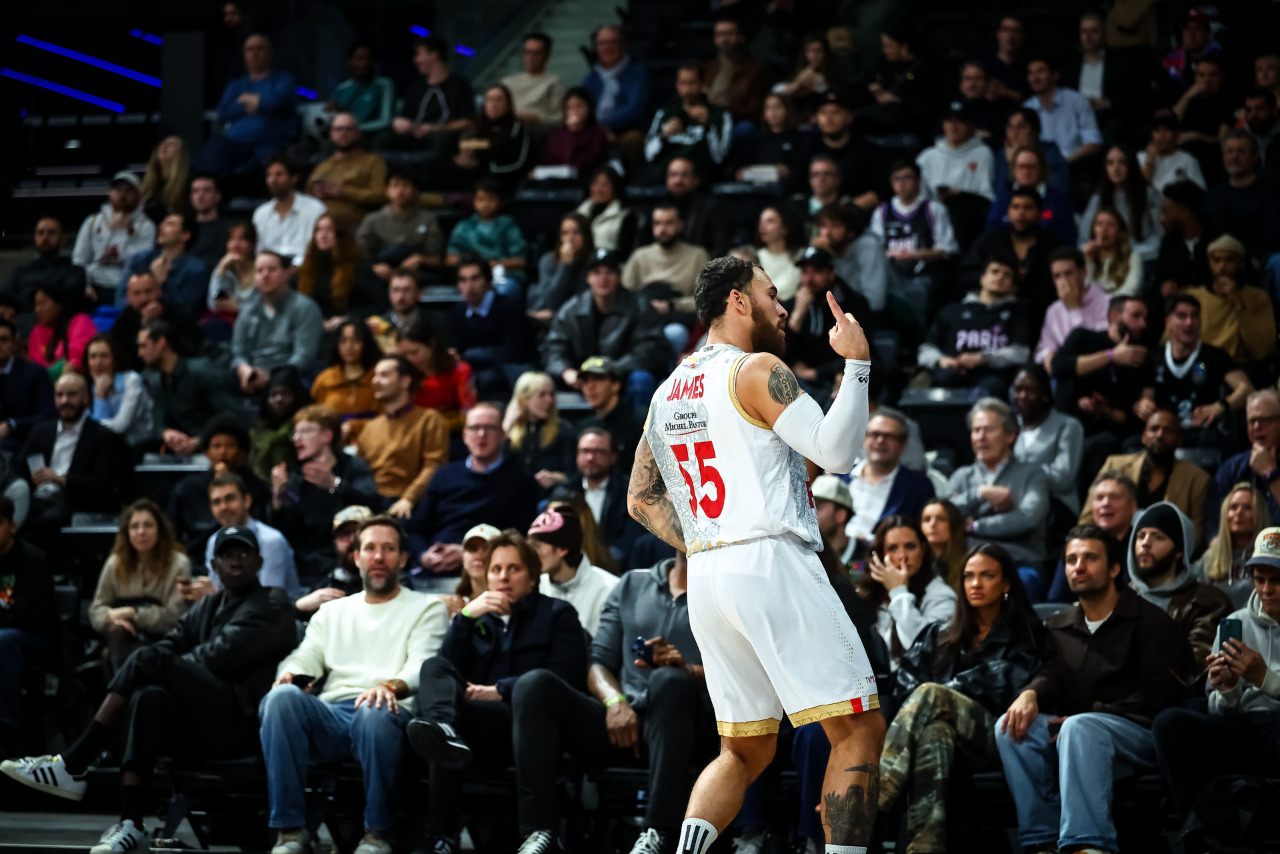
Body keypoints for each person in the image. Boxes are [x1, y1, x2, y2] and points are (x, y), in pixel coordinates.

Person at [629, 255, 885, 854]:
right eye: (772, 295)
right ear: (738, 301)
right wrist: (857, 364)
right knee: (859, 728)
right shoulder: (756, 368)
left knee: (744, 749)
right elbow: (838, 453)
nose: (783, 308)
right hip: (771, 562)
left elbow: (641, 499)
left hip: (709, 574)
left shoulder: (666, 392)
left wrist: (710, 540)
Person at [1, 524, 295, 854]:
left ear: (258, 561)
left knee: (148, 659)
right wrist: (165, 669)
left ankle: (73, 762)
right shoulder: (207, 607)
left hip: (242, 726)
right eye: (227, 555)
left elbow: (218, 657)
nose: (235, 560)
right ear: (214, 564)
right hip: (199, 725)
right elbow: (172, 643)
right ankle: (131, 824)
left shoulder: (273, 602)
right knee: (148, 697)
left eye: (243, 553)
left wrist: (166, 668)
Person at [258, 515, 449, 854]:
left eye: (388, 549)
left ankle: (378, 834)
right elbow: (305, 657)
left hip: (389, 712)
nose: (378, 556)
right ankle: (290, 832)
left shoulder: (427, 607)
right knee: (280, 698)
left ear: (403, 558)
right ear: (356, 557)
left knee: (374, 710)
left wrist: (388, 686)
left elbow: (423, 664)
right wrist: (292, 675)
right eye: (370, 548)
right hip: (332, 714)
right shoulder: (333, 611)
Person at [994, 525, 1191, 854]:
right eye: (1071, 560)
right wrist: (1031, 694)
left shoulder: (1151, 622)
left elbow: (1161, 693)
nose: (1078, 567)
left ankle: (1086, 844)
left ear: (1114, 568)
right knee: (1010, 727)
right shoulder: (1058, 625)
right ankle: (1042, 840)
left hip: (1139, 734)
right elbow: (1051, 673)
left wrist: (1094, 714)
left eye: (1089, 558)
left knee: (1078, 727)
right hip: (1076, 729)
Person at [407, 528, 587, 854]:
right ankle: (439, 833)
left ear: (532, 578)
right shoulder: (478, 618)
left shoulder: (557, 614)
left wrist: (501, 690)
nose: (503, 577)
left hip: (529, 728)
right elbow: (445, 671)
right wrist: (464, 618)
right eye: (496, 569)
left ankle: (441, 831)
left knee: (452, 724)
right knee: (433, 669)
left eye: (513, 568)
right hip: (474, 727)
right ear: (486, 576)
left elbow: (564, 677)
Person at [880, 543, 1050, 854]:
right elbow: (906, 683)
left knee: (932, 693)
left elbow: (1010, 681)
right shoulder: (941, 632)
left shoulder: (1026, 632)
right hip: (943, 735)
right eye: (969, 576)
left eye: (987, 575)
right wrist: (936, 702)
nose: (976, 583)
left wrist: (946, 694)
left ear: (1006, 584)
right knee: (934, 732)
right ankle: (924, 848)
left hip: (998, 735)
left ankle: (878, 792)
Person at [1152, 529, 1280, 816]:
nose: (1266, 589)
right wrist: (1228, 690)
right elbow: (1220, 711)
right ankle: (1200, 825)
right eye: (1260, 579)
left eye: (1276, 580)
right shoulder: (1236, 623)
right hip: (1245, 724)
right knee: (1169, 723)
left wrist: (1264, 677)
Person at [406, 404, 539, 575]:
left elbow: (517, 537)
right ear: (464, 436)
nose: (481, 434)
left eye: (489, 428)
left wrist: (469, 553)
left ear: (502, 435)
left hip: (490, 568)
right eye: (475, 428)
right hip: (436, 566)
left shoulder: (521, 480)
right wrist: (424, 555)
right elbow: (417, 528)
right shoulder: (443, 475)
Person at [541, 250, 669, 403]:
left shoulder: (640, 307)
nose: (603, 278)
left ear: (618, 277)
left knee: (641, 379)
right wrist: (566, 371)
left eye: (609, 272)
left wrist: (611, 371)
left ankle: (640, 419)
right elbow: (554, 348)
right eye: (596, 272)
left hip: (623, 375)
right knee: (543, 382)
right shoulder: (571, 310)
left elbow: (649, 349)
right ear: (588, 278)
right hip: (582, 378)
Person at [271, 404, 381, 578]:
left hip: (354, 556)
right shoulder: (297, 477)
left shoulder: (352, 465)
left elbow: (373, 502)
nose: (296, 438)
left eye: (305, 431)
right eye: (295, 433)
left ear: (327, 436)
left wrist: (333, 483)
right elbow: (287, 531)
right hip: (311, 565)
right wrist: (278, 494)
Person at [21, 373, 131, 542]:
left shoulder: (103, 437)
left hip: (76, 501)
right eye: (59, 395)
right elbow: (20, 468)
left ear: (86, 397)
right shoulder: (40, 432)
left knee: (45, 521)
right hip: (37, 497)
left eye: (72, 394)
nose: (64, 400)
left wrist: (62, 479)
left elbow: (102, 485)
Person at [1136, 294, 1252, 452]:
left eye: (1194, 316)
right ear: (1168, 322)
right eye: (1182, 316)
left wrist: (1220, 406)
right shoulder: (1154, 358)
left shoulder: (1212, 356)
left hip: (1202, 433)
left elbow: (1246, 389)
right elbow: (1146, 399)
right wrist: (1143, 406)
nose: (1189, 322)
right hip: (1164, 434)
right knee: (1132, 444)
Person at [945, 397, 1052, 569]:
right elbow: (944, 514)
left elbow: (1028, 519)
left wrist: (975, 526)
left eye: (988, 430)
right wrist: (979, 493)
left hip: (1018, 561)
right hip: (969, 562)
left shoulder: (1032, 474)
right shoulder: (961, 476)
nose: (981, 437)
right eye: (976, 430)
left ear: (1010, 435)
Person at [1082, 409, 1211, 545]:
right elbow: (1088, 518)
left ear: (1179, 440)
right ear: (1143, 436)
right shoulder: (1115, 465)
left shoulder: (1197, 478)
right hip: (1112, 547)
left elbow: (1195, 535)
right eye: (1154, 429)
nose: (1160, 435)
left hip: (1165, 553)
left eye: (1168, 431)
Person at [88, 499, 190, 668]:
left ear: (160, 529)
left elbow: (174, 617)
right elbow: (95, 610)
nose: (141, 532)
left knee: (119, 653)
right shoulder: (114, 563)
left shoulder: (179, 564)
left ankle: (120, 684)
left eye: (148, 525)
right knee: (118, 632)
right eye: (134, 526)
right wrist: (113, 618)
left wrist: (133, 615)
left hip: (163, 639)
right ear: (126, 532)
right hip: (120, 637)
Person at [1128, 501, 1233, 665]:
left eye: (1158, 537)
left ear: (1179, 551)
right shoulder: (1120, 597)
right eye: (1141, 536)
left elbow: (1195, 666)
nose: (1145, 543)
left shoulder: (1208, 602)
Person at [1050, 295, 1148, 461]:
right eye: (1136, 316)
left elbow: (1128, 417)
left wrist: (1103, 410)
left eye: (1145, 318)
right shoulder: (1084, 337)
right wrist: (1111, 356)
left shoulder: (1140, 357)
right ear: (1114, 317)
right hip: (1066, 427)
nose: (1143, 324)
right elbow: (1058, 367)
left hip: (1106, 437)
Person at [919, 254, 1032, 397]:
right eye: (995, 271)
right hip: (950, 372)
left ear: (1013, 286)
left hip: (993, 376)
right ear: (982, 279)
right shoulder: (952, 310)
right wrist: (941, 360)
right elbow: (925, 350)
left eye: (1007, 275)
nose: (1000, 277)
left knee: (992, 387)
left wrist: (982, 358)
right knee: (944, 378)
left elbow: (1021, 353)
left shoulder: (1018, 312)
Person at [355, 355, 448, 518]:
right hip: (371, 501)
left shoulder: (429, 419)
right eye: (375, 375)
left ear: (405, 381)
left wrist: (409, 498)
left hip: (408, 502)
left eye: (384, 375)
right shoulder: (370, 427)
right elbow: (359, 470)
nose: (375, 381)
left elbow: (434, 465)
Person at [858, 516, 957, 666]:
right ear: (879, 555)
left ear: (922, 550)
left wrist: (899, 592)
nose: (902, 556)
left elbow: (926, 649)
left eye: (910, 547)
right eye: (892, 548)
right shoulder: (869, 594)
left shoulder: (941, 595)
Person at [166, 414, 271, 556]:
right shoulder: (188, 488)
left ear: (242, 452)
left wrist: (227, 482)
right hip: (197, 560)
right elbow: (172, 534)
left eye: (230, 446)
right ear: (206, 452)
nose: (223, 451)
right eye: (216, 446)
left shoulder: (256, 487)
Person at [868, 160, 959, 319]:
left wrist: (917, 254)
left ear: (918, 181)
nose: (901, 184)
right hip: (892, 274)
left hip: (926, 274)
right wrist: (891, 254)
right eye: (897, 179)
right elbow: (874, 248)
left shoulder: (933, 208)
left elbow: (948, 248)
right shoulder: (882, 211)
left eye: (907, 178)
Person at [197, 34, 298, 178]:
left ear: (270, 53)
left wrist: (245, 100)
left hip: (270, 141)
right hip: (234, 141)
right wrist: (249, 105)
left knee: (272, 172)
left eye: (260, 48)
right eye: (250, 49)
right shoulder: (236, 85)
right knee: (208, 160)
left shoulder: (283, 79)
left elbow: (275, 103)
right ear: (244, 55)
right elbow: (223, 113)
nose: (254, 53)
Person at [783, 246, 873, 400]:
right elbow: (782, 353)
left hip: (840, 377)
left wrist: (815, 373)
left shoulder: (853, 303)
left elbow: (863, 352)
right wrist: (796, 318)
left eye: (816, 272)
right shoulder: (793, 305)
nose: (809, 279)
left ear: (831, 274)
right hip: (802, 382)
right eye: (805, 272)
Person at [192, 472, 299, 601]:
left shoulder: (270, 541)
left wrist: (214, 597)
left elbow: (268, 601)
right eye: (216, 502)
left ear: (247, 501)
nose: (223, 507)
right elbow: (217, 589)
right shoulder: (214, 542)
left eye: (230, 498)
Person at [137, 321, 238, 456]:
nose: (140, 353)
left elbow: (228, 414)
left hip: (216, 446)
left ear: (161, 343)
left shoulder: (201, 370)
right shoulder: (157, 381)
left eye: (144, 346)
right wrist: (167, 433)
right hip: (181, 449)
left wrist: (200, 440)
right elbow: (158, 422)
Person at [378, 34, 475, 172]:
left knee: (441, 139)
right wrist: (399, 122)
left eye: (419, 54)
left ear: (434, 54)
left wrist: (435, 128)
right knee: (383, 139)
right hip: (414, 135)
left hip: (441, 135)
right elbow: (405, 116)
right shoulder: (416, 87)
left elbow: (468, 121)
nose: (416, 60)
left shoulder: (460, 85)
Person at [231, 252, 325, 394]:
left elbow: (304, 357)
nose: (265, 275)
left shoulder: (305, 307)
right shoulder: (248, 308)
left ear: (287, 273)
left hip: (290, 375)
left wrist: (273, 376)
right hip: (252, 374)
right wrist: (244, 369)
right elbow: (238, 352)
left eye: (272, 269)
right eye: (259, 271)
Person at [962, 189, 1060, 321]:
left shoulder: (1051, 245)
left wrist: (1023, 281)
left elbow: (1057, 283)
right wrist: (997, 281)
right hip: (990, 310)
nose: (1021, 213)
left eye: (1028, 207)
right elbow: (967, 274)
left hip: (1037, 314)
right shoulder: (990, 240)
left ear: (1039, 213)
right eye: (1015, 207)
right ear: (1008, 211)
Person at [845, 411, 935, 551]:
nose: (880, 440)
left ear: (902, 444)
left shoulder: (919, 486)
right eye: (874, 434)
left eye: (889, 436)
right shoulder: (839, 475)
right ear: (864, 438)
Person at [525, 505, 617, 636]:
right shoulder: (533, 587)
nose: (531, 554)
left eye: (537, 547)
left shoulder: (609, 589)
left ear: (562, 549)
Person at [1183, 234, 1275, 365]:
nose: (1222, 267)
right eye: (1216, 260)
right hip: (1202, 364)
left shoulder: (1258, 297)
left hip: (1239, 366)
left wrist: (1238, 304)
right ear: (1209, 263)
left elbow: (1261, 351)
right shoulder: (1193, 297)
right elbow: (1170, 342)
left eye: (1229, 260)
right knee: (1199, 375)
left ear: (1241, 263)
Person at [1046, 473, 1139, 603]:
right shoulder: (1075, 545)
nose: (1105, 503)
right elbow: (1056, 601)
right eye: (1099, 498)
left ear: (1133, 506)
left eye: (1114, 497)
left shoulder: (1142, 546)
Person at [1012, 364, 1085, 520]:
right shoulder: (1010, 426)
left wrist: (1020, 473)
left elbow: (1063, 478)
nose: (1022, 395)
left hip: (1056, 509)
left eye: (1031, 390)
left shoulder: (1068, 426)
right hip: (1015, 504)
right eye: (1018, 389)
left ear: (1044, 394)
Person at [452, 256, 530, 398]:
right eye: (463, 280)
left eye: (475, 278)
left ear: (489, 281)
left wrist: (468, 356)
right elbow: (458, 351)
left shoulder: (510, 308)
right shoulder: (459, 311)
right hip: (474, 372)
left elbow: (513, 353)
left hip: (508, 373)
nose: (469, 286)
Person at [72, 172, 156, 301]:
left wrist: (122, 233)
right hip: (94, 282)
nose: (122, 194)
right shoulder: (93, 221)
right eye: (118, 189)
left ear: (138, 196)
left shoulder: (146, 226)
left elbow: (141, 263)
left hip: (125, 285)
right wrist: (85, 285)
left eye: (129, 190)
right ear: (110, 193)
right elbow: (79, 258)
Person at [1208, 389, 1280, 542]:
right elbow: (1213, 529)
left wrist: (1271, 474)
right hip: (1241, 555)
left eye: (1265, 420)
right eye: (1252, 421)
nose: (1257, 426)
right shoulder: (1231, 468)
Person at [644, 64, 733, 183]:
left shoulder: (718, 115)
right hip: (667, 176)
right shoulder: (665, 113)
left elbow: (719, 158)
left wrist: (708, 126)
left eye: (692, 83)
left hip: (701, 177)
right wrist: (664, 136)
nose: (687, 90)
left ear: (702, 84)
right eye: (683, 83)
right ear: (676, 84)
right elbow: (649, 155)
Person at [355, 168, 444, 282]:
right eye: (395, 185)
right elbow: (359, 253)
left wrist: (420, 259)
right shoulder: (372, 219)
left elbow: (437, 259)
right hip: (381, 273)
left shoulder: (428, 219)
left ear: (416, 191)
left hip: (416, 274)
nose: (400, 191)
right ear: (386, 191)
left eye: (406, 186)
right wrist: (374, 265)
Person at [304, 114, 388, 231]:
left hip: (355, 228)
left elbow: (381, 196)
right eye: (338, 129)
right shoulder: (322, 167)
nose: (343, 133)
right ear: (331, 134)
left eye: (348, 129)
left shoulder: (372, 161)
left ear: (357, 132)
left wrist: (344, 191)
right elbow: (306, 201)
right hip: (319, 228)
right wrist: (316, 197)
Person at [1206, 132, 1279, 263]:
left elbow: (1273, 236)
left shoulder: (1270, 193)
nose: (1234, 156)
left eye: (1241, 151)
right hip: (1219, 261)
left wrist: (1257, 259)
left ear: (1255, 157)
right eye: (1230, 151)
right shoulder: (1213, 194)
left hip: (1259, 260)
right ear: (1223, 156)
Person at [1081, 145, 1163, 262]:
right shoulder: (1098, 198)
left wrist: (1133, 255)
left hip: (1144, 258)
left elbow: (1159, 234)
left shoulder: (1149, 195)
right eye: (1110, 163)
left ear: (1132, 165)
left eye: (1122, 162)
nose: (1116, 168)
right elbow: (1084, 238)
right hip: (1107, 260)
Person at [1196, 483, 1271, 608]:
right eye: (1233, 507)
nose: (1239, 512)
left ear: (1260, 515)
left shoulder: (1271, 555)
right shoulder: (1211, 557)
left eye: (1247, 507)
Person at [574, 427, 642, 563]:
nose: (590, 458)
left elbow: (629, 542)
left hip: (615, 566)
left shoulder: (631, 493)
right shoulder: (565, 491)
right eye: (585, 451)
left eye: (598, 452)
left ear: (612, 457)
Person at [622, 204, 708, 312]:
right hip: (644, 312)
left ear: (680, 225)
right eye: (657, 223)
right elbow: (623, 295)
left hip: (679, 314)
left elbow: (706, 299)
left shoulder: (697, 255)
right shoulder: (640, 255)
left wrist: (673, 305)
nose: (662, 229)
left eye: (669, 223)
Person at [504, 371, 577, 495]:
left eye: (551, 394)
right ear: (524, 399)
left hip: (550, 497)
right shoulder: (509, 429)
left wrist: (557, 477)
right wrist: (506, 427)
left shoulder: (563, 429)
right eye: (541, 395)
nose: (549, 400)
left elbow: (573, 475)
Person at [395, 320, 476, 432]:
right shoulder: (402, 375)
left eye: (414, 352)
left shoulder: (459, 370)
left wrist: (430, 424)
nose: (410, 359)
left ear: (432, 345)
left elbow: (468, 415)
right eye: (404, 355)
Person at [444, 178, 527, 287]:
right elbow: (450, 259)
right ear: (474, 201)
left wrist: (496, 264)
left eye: (491, 199)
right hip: (471, 276)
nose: (485, 204)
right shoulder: (465, 226)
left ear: (500, 201)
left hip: (503, 276)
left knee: (505, 289)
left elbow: (520, 260)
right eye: (481, 199)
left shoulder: (508, 225)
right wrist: (474, 265)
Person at [987, 146, 1076, 247]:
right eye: (1021, 167)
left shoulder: (1058, 200)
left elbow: (1067, 238)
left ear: (1042, 169)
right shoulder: (1003, 199)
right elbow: (991, 232)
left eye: (1031, 167)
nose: (1026, 172)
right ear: (1013, 170)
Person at [1, 216, 87, 320]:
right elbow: (4, 297)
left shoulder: (74, 272)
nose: (45, 237)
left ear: (63, 239)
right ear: (35, 238)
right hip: (19, 321)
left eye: (51, 233)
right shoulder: (20, 271)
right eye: (40, 233)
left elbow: (69, 300)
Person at [1036, 247, 1109, 369]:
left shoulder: (1107, 302)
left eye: (1068, 273)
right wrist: (1048, 356)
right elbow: (1044, 347)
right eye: (1057, 276)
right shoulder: (1053, 310)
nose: (1063, 281)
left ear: (1083, 273)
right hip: (1063, 371)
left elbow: (1091, 347)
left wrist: (1074, 310)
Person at [1022, 55, 1102, 165]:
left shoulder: (1076, 100)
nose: (1034, 78)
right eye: (1031, 73)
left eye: (1040, 71)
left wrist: (1065, 163)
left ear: (1054, 75)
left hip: (1075, 165)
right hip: (1040, 169)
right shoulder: (1027, 107)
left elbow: (1093, 142)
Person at [295, 505, 375, 612]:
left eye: (358, 532)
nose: (352, 539)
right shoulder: (324, 586)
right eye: (345, 534)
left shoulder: (389, 584)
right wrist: (298, 608)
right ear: (335, 542)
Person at [454, 85, 535, 192]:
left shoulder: (518, 128)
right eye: (489, 100)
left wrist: (478, 165)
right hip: (474, 176)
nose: (493, 104)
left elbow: (518, 164)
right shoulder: (477, 127)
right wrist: (462, 159)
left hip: (504, 179)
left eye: (499, 100)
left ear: (508, 105)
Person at [311, 319, 380, 443]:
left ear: (366, 343)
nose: (349, 346)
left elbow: (389, 420)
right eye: (343, 341)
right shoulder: (324, 380)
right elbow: (316, 420)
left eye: (356, 340)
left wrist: (353, 427)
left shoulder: (379, 376)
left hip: (375, 441)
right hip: (334, 445)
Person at [251, 156, 327, 267]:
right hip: (270, 269)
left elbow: (319, 249)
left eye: (279, 175)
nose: (272, 180)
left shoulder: (315, 208)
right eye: (269, 175)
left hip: (305, 268)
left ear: (294, 178)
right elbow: (259, 251)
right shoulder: (261, 214)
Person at [810, 93, 882, 210]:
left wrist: (848, 209)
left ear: (849, 117)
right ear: (816, 118)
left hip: (856, 212)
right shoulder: (807, 149)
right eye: (823, 113)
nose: (828, 119)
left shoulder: (867, 150)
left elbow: (879, 191)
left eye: (835, 112)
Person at [581, 25, 651, 138]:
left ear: (623, 45)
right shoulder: (592, 77)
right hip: (595, 131)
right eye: (602, 43)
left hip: (626, 130)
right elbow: (581, 105)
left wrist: (601, 126)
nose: (607, 48)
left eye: (613, 42)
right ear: (595, 48)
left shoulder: (637, 73)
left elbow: (634, 109)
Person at [86, 334, 154, 447]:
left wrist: (100, 395)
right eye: (93, 356)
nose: (98, 362)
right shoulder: (88, 385)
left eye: (104, 356)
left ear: (115, 359)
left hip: (136, 448)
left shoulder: (132, 380)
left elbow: (119, 428)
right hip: (104, 449)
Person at [701, 17, 765, 134]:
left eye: (729, 34)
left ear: (740, 37)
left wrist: (720, 112)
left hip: (734, 123)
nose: (724, 39)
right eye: (720, 34)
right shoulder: (706, 67)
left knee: (746, 129)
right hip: (704, 121)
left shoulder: (753, 70)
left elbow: (755, 108)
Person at [295, 214, 365, 321]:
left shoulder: (358, 266)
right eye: (318, 230)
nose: (322, 235)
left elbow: (371, 304)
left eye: (329, 230)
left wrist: (345, 318)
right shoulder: (308, 266)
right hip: (310, 322)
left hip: (343, 324)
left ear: (341, 234)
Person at [530, 213, 594, 322]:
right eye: (565, 233)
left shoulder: (594, 262)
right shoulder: (548, 261)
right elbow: (552, 301)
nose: (570, 238)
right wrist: (566, 265)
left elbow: (588, 300)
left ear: (586, 236)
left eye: (576, 232)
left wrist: (556, 313)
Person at [248, 367, 308, 482]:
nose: (279, 399)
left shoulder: (306, 428)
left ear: (296, 396)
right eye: (273, 395)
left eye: (285, 394)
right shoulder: (257, 431)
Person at [664, 157, 732, 258]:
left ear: (696, 180)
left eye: (684, 175)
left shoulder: (712, 208)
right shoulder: (658, 208)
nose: (678, 180)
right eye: (673, 175)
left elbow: (720, 248)